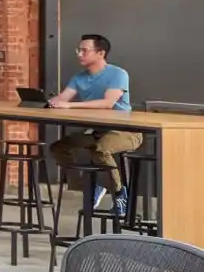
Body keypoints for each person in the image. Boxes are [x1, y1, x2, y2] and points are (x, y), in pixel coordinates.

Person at [45, 32, 144, 181]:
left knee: (101, 150)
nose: (79, 54)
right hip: (97, 132)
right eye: (78, 50)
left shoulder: (118, 74)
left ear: (100, 53)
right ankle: (83, 189)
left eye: (84, 51)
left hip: (125, 131)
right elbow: (63, 98)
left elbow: (107, 103)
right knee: (58, 148)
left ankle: (118, 194)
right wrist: (47, 102)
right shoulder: (79, 77)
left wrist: (69, 106)